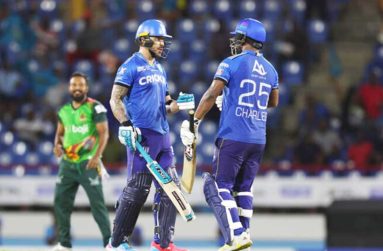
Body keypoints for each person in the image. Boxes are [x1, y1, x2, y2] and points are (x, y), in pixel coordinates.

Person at [181, 18, 279, 251]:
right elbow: (273, 101)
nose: (235, 41)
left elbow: (210, 95)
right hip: (258, 138)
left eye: (238, 37)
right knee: (244, 188)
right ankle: (244, 234)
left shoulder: (231, 63)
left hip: (234, 135)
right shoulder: (271, 69)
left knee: (216, 184)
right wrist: (237, 101)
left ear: (245, 39)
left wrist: (194, 122)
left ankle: (234, 235)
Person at [106, 19, 194, 251]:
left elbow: (165, 102)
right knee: (137, 190)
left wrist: (176, 105)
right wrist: (125, 123)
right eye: (159, 40)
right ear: (144, 39)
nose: (163, 44)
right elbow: (115, 99)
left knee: (170, 189)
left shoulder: (159, 68)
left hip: (162, 136)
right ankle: (116, 244)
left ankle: (163, 244)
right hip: (141, 136)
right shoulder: (129, 66)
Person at [52, 72, 111, 251]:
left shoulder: (95, 107)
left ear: (86, 88)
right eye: (74, 85)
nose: (77, 88)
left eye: (80, 85)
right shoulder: (63, 111)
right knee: (61, 202)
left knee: (97, 205)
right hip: (68, 164)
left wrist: (96, 157)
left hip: (88, 164)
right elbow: (60, 132)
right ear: (69, 88)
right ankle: (64, 244)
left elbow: (104, 133)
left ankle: (110, 244)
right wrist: (56, 145)